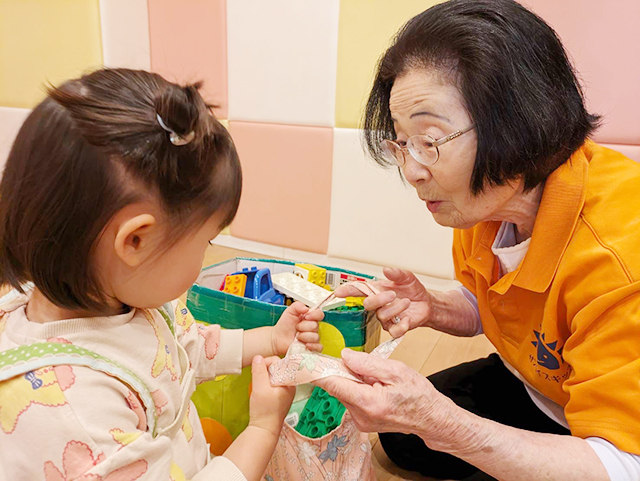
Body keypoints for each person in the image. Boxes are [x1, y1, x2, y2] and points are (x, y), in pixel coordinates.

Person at [316, 1, 640, 480]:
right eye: (402, 142)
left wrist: (448, 426)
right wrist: (436, 307)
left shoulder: (619, 260)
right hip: (539, 385)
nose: (411, 171)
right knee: (402, 438)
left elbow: (624, 465)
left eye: (431, 140)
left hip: (611, 442)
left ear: (521, 121)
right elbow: (494, 301)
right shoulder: (483, 211)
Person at [0, 68, 322, 481]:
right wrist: (262, 429)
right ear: (135, 241)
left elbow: (178, 349)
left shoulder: (124, 298)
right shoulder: (74, 410)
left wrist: (271, 339)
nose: (205, 256)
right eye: (205, 243)